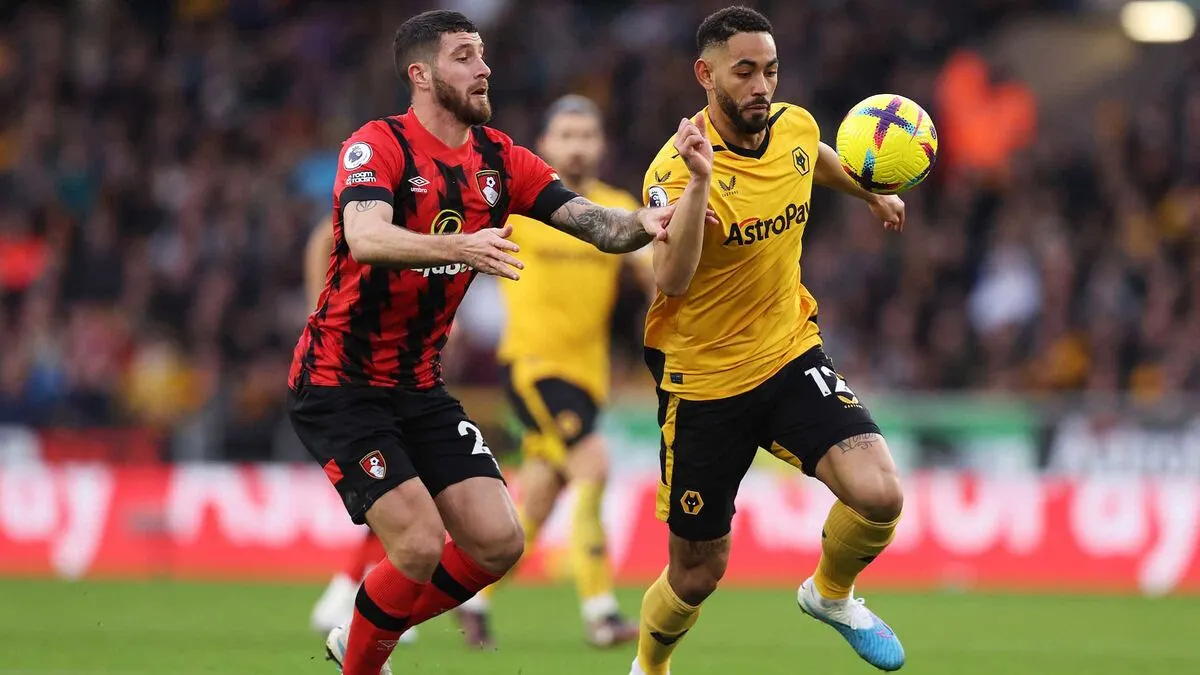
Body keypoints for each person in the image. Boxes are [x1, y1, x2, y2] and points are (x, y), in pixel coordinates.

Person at [285, 10, 678, 675]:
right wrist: (458, 245)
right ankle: (363, 660)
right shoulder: (377, 145)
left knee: (499, 541)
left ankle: (363, 623)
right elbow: (365, 236)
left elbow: (599, 228)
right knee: (415, 543)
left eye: (484, 54)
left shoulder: (500, 158)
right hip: (340, 382)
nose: (484, 67)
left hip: (418, 386)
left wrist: (649, 220)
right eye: (465, 56)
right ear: (422, 73)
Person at [630, 6, 909, 674]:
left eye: (771, 70)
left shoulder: (794, 124)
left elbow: (807, 156)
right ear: (706, 74)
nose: (762, 86)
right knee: (697, 574)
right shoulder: (674, 170)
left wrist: (866, 192)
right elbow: (670, 275)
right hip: (703, 381)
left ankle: (831, 593)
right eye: (745, 71)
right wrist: (700, 182)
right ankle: (649, 665)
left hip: (788, 352)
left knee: (879, 494)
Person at [454, 95, 648, 649]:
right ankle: (601, 612)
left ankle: (473, 599)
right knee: (594, 463)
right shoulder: (523, 207)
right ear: (545, 145)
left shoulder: (615, 208)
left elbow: (654, 269)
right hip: (534, 368)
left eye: (587, 134)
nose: (578, 144)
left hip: (589, 378)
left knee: (538, 495)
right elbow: (464, 246)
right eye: (566, 134)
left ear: (602, 144)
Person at [303, 215, 416, 646]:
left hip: (395, 374)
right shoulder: (351, 221)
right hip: (355, 380)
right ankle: (361, 601)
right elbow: (323, 251)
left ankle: (350, 592)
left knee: (405, 494)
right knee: (403, 493)